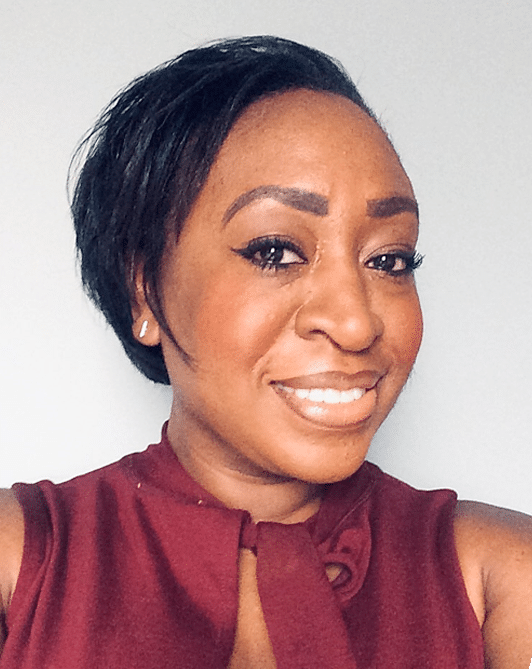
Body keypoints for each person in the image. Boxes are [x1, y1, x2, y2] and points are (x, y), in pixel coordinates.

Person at [0, 35, 531, 668]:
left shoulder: (501, 576)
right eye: (275, 251)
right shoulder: (20, 562)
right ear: (144, 293)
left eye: (390, 259)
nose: (356, 322)